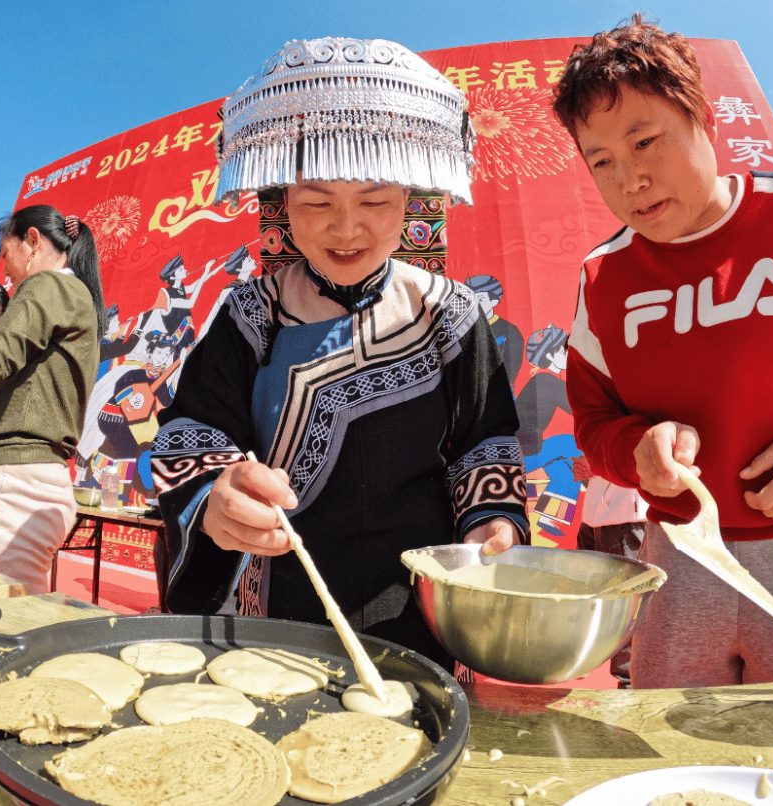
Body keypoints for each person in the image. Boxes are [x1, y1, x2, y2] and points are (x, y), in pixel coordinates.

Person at [150, 36, 528, 665]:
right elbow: (189, 435)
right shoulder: (250, 314)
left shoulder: (452, 313)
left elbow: (485, 443)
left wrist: (493, 519)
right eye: (317, 201)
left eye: (375, 201)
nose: (346, 228)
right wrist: (215, 499)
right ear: (283, 206)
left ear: (410, 201)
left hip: (417, 608)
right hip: (273, 598)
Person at [553, 15, 773, 687]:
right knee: (674, 761)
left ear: (703, 116)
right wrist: (638, 450)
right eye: (601, 160)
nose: (629, 178)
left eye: (646, 141)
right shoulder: (602, 278)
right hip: (678, 560)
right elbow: (595, 423)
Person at [0, 204, 107, 593]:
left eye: (5, 254)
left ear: (31, 242)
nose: (3, 272)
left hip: (16, 482)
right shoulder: (75, 293)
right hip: (35, 481)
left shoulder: (47, 285)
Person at [576, 475, 648, 688]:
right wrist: (591, 463)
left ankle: (629, 686)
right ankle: (581, 658)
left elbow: (642, 453)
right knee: (587, 593)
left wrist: (598, 464)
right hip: (594, 513)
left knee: (628, 603)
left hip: (626, 513)